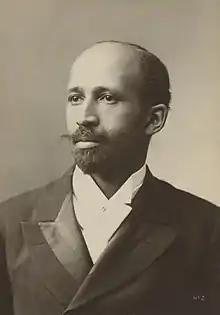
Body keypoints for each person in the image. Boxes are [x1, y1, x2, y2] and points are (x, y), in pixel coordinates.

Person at [0, 40, 219, 315]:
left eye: (107, 98)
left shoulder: (205, 229)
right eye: (75, 98)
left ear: (153, 119)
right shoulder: (8, 223)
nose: (85, 117)